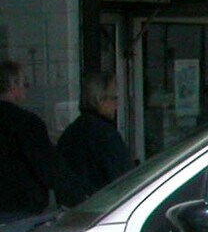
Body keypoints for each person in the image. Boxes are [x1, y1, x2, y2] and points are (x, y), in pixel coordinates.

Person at [0, 60, 85, 222]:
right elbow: (48, 167)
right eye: (24, 84)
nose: (26, 89)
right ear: (13, 87)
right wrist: (80, 198)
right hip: (18, 211)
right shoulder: (26, 123)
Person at [57, 70, 137, 196]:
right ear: (99, 99)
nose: (117, 104)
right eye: (113, 98)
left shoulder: (72, 131)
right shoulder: (105, 134)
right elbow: (122, 178)